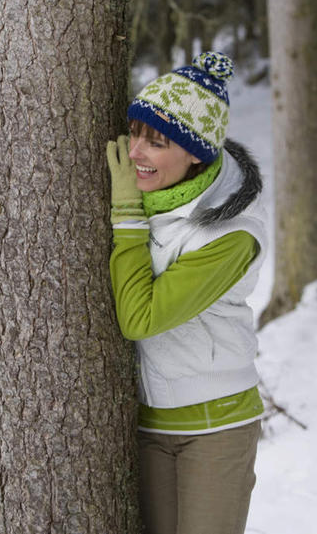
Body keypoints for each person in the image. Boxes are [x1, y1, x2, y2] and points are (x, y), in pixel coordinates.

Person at [106, 51, 267, 534]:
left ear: (196, 152)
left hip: (217, 427)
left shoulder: (231, 235)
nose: (135, 152)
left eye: (157, 143)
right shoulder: (153, 198)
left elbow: (140, 318)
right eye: (135, 133)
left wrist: (127, 216)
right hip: (149, 422)